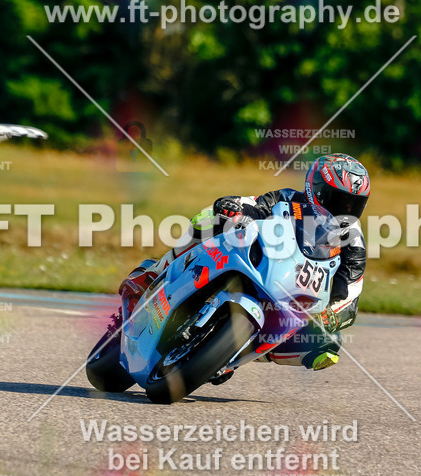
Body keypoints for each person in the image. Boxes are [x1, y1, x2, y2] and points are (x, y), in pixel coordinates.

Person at [120, 153, 370, 371]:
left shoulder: (354, 241)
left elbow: (351, 293)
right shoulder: (289, 199)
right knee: (209, 219)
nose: (346, 209)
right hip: (266, 266)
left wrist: (331, 317)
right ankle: (157, 272)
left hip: (296, 302)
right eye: (339, 200)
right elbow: (254, 205)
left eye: (354, 204)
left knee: (327, 344)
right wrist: (233, 207)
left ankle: (229, 355)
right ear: (316, 189)